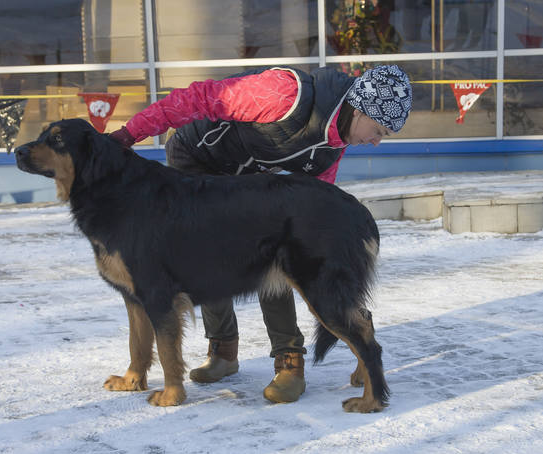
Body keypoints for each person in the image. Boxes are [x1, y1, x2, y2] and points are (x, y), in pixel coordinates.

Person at [110, 64, 412, 404]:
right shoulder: (285, 94)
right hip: (197, 159)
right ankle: (223, 350)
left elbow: (305, 225)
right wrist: (130, 133)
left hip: (246, 175)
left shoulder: (332, 145)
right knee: (205, 260)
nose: (375, 142)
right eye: (379, 130)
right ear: (359, 109)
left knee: (280, 249)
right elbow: (197, 98)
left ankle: (289, 361)